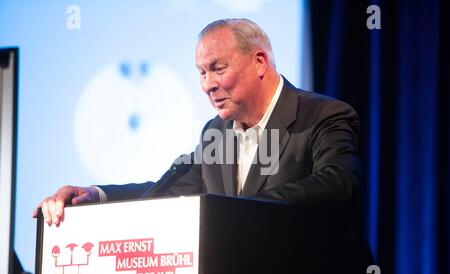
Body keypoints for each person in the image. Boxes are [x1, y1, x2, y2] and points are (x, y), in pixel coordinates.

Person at [33, 18, 361, 227]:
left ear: (259, 62)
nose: (207, 85)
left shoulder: (323, 115)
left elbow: (337, 184)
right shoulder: (215, 133)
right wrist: (94, 195)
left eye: (218, 68)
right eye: (202, 73)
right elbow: (165, 192)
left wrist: (230, 212)